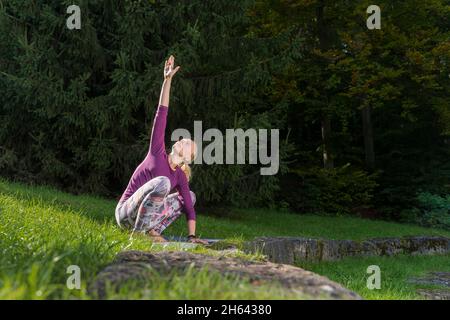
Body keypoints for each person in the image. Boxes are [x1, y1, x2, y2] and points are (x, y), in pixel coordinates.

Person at [115, 55, 208, 244]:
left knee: (189, 196)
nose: (183, 141)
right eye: (184, 139)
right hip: (125, 214)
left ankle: (152, 232)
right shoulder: (157, 152)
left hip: (146, 218)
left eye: (189, 143)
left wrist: (192, 237)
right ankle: (139, 235)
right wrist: (167, 80)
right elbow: (161, 113)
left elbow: (189, 207)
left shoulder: (180, 175)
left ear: (187, 159)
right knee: (163, 182)